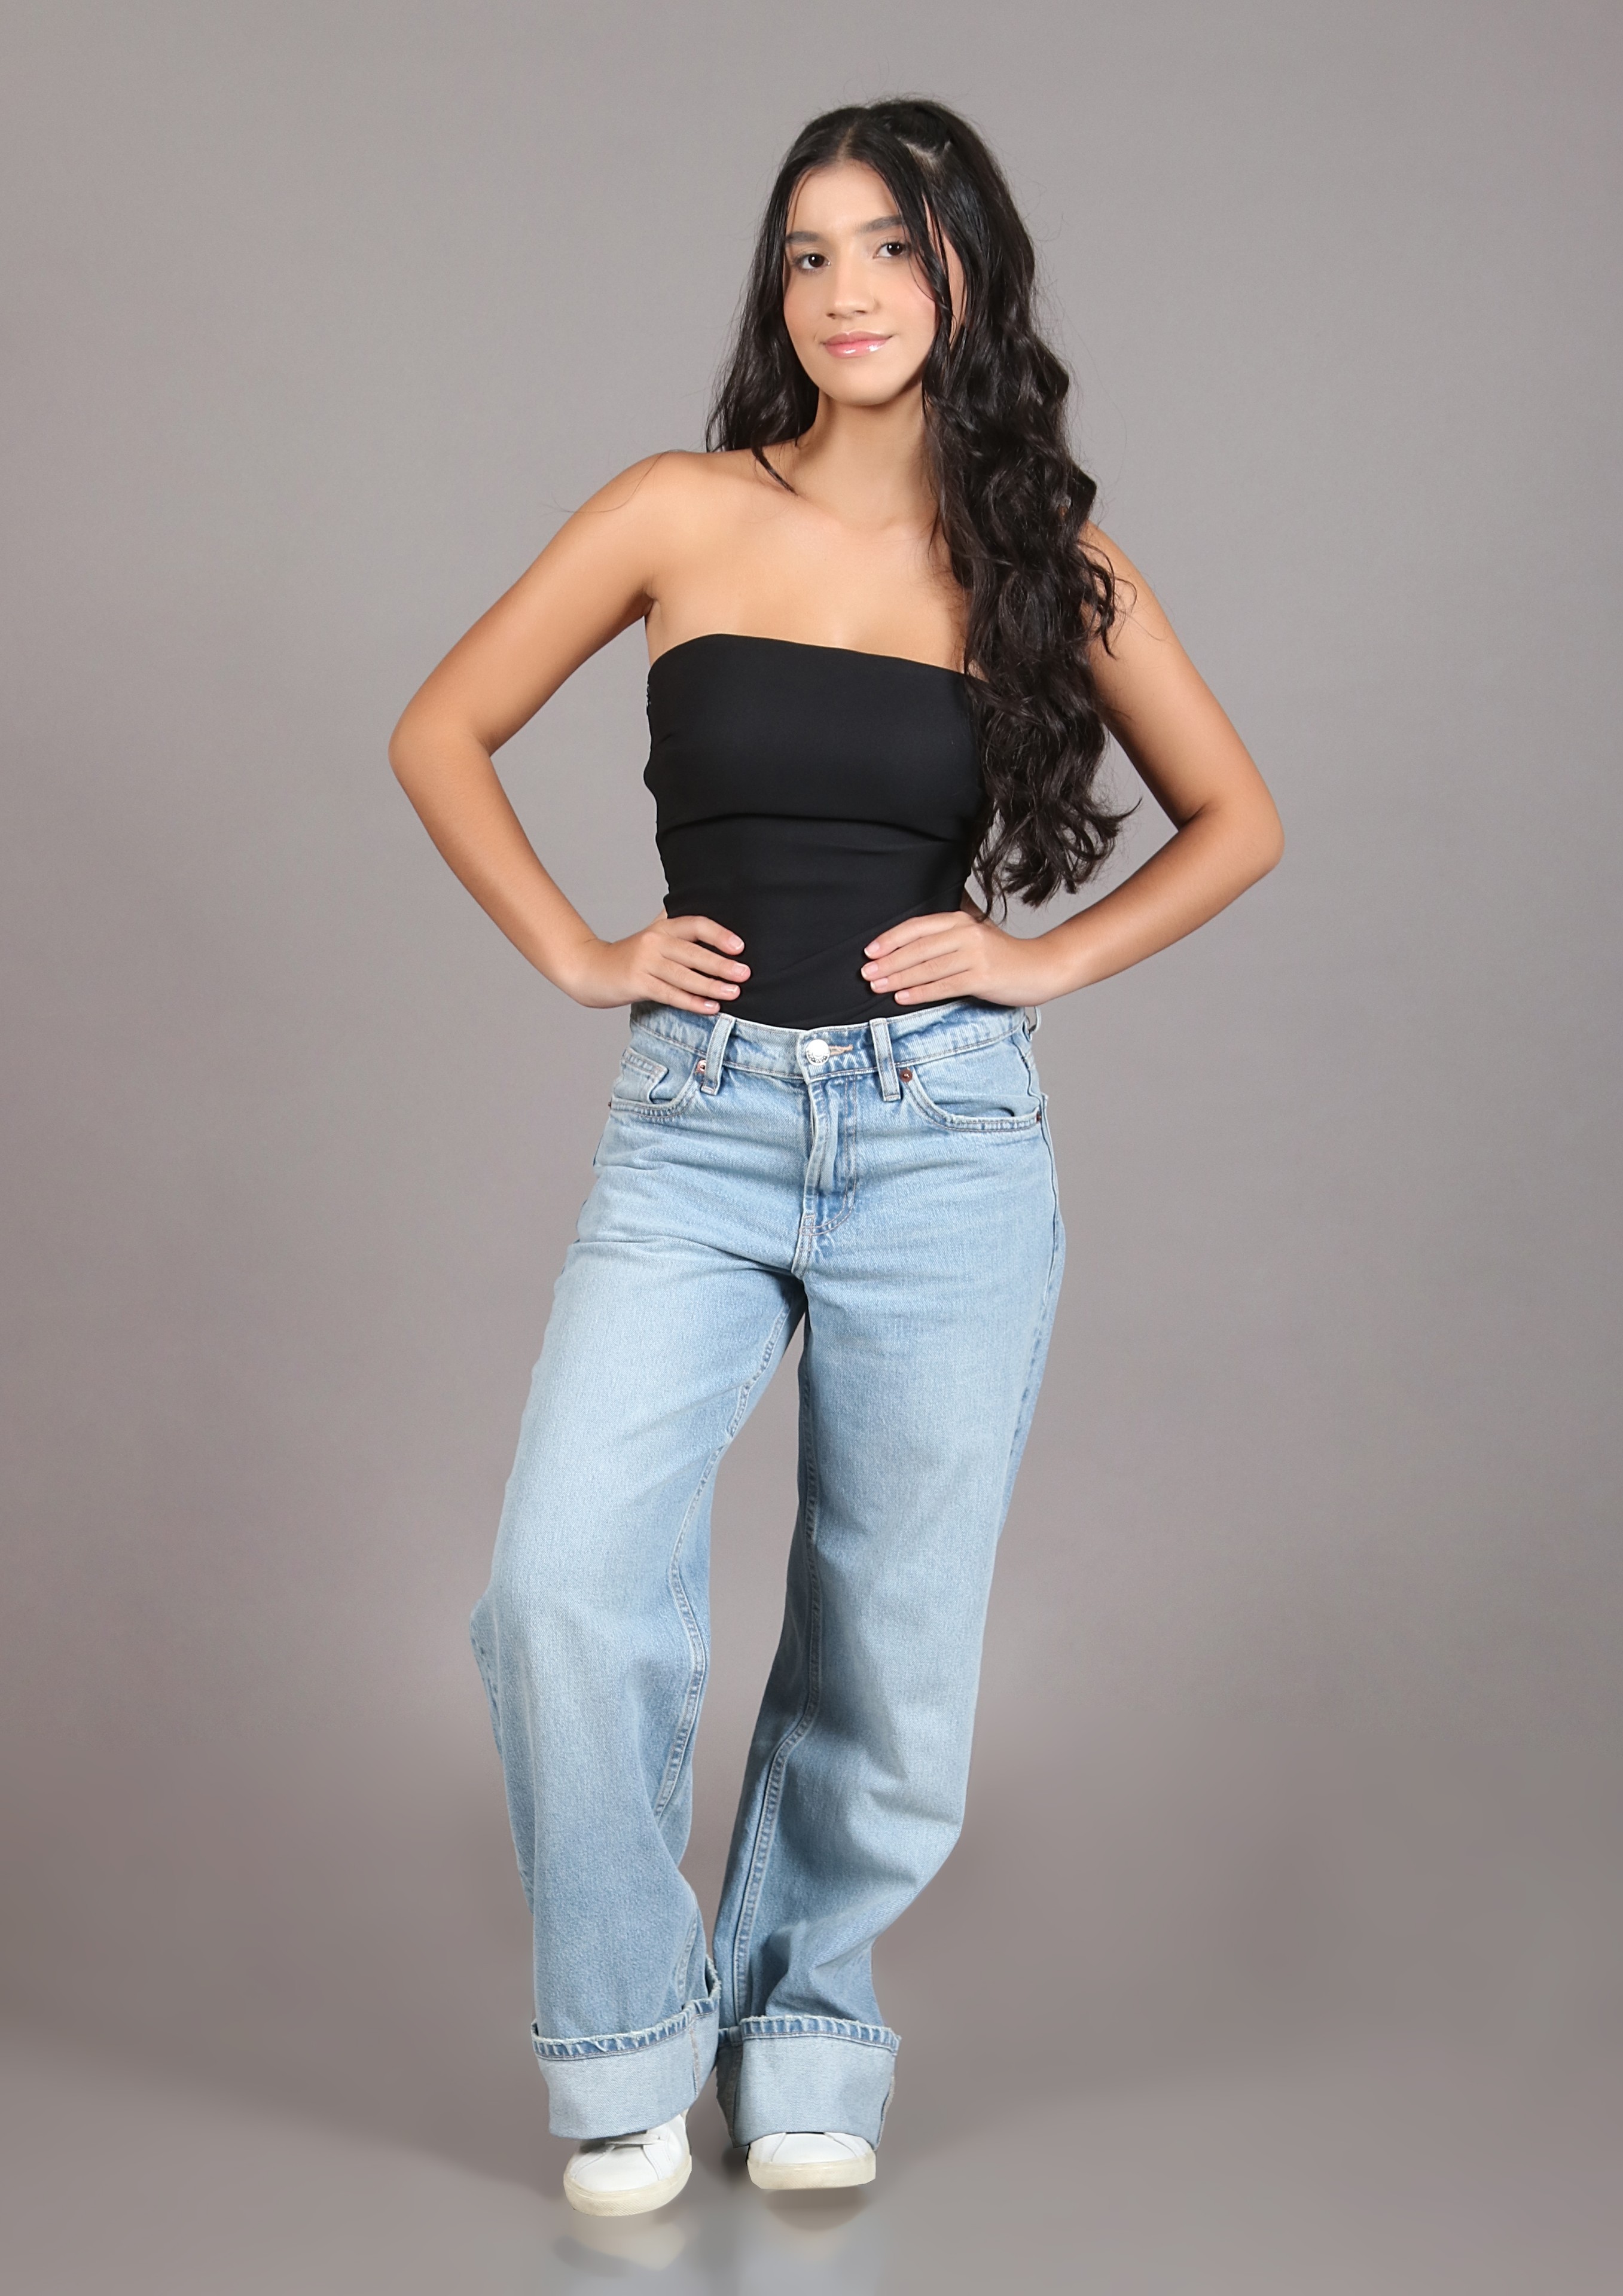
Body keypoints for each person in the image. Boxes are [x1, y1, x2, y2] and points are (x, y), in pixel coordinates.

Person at [388, 96, 1282, 2218]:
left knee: (889, 1631)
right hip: (695, 1130)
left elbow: (1237, 818)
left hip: (940, 1138)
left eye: (890, 246)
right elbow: (439, 729)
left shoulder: (1037, 562)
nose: (846, 292)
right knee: (559, 1590)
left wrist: (1039, 965)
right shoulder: (676, 508)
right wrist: (581, 952)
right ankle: (627, 2043)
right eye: (808, 254)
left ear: (968, 273)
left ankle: (803, 2036)